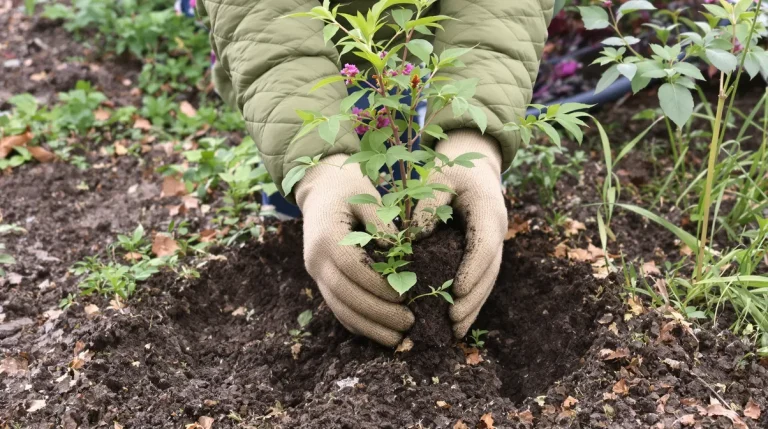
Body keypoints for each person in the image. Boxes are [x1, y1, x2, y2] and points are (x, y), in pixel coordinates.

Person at [196, 0, 560, 347]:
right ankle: (299, 270)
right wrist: (316, 168)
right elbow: (261, 22)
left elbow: (502, 17)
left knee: (439, 194)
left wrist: (474, 143)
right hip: (290, 67)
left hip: (420, 60)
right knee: (309, 197)